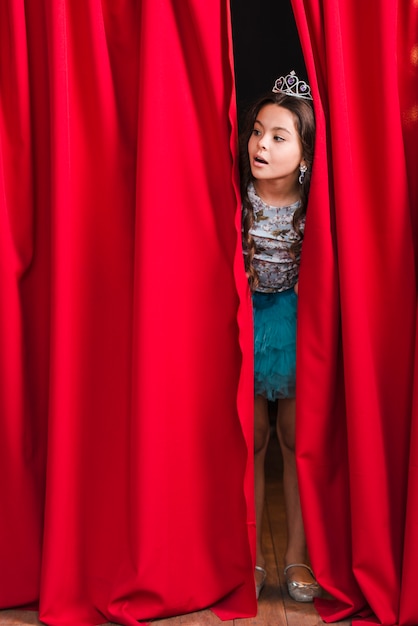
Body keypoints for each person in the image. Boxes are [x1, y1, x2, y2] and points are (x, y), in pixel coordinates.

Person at [240, 71, 319, 603]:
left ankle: (297, 555)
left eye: (278, 137)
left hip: (293, 325)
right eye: (257, 132)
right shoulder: (235, 196)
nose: (260, 145)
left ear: (305, 156)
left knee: (294, 440)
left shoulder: (318, 208)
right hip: (246, 320)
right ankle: (246, 556)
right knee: (251, 439)